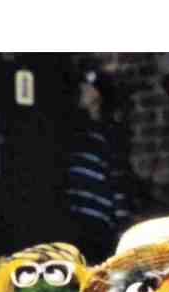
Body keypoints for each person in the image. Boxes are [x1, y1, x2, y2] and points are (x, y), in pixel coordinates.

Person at [63, 66, 134, 265]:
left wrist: (122, 230)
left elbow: (118, 183)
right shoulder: (76, 131)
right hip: (74, 220)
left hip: (98, 225)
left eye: (87, 87)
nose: (81, 90)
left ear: (97, 95)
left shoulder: (110, 135)